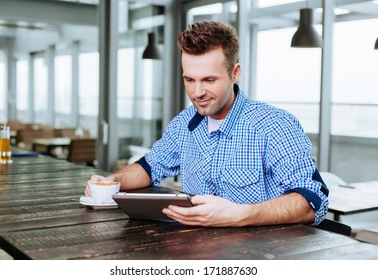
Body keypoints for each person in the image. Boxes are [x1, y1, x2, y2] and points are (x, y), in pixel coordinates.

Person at [85, 21, 328, 227]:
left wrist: (239, 214)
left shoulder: (274, 125)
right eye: (189, 79)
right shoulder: (183, 124)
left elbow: (311, 201)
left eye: (209, 80)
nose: (197, 92)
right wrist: (110, 182)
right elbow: (150, 167)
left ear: (235, 73)